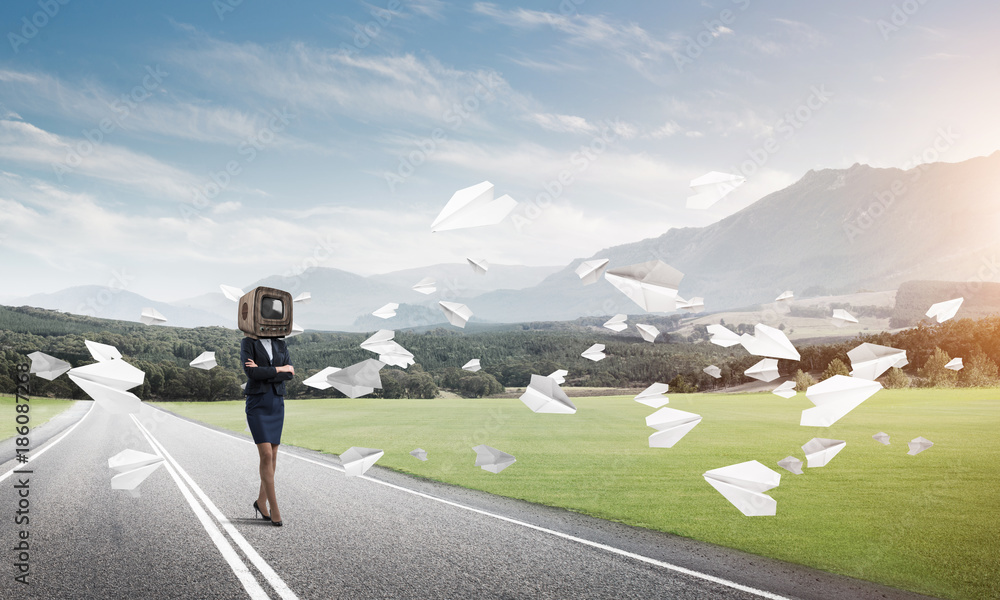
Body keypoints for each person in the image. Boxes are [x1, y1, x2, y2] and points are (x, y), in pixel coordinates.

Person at [241, 335, 294, 527]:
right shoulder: (248, 342)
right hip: (257, 403)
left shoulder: (281, 343)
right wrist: (280, 369)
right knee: (265, 454)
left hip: (276, 403)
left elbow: (290, 374)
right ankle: (275, 509)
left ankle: (261, 502)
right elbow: (251, 374)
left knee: (273, 456)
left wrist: (265, 371)